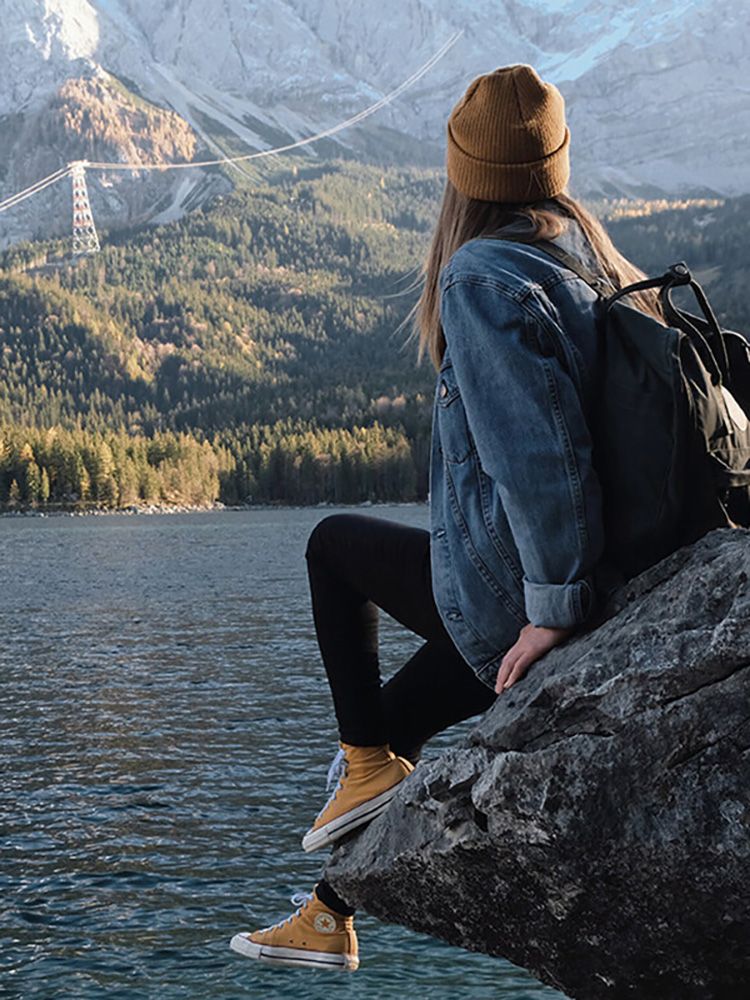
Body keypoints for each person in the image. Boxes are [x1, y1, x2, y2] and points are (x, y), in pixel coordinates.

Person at [229, 63, 665, 972]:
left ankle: (364, 768)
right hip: (602, 571)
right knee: (393, 721)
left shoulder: (482, 275)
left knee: (331, 546)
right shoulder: (595, 256)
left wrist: (551, 612)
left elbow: (537, 459)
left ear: (466, 175)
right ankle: (327, 914)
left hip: (527, 592)